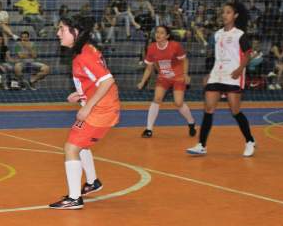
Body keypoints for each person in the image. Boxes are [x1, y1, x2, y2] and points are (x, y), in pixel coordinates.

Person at [49, 16, 119, 210]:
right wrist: (80, 95)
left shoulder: (84, 55)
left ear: (75, 32)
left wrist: (87, 107)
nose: (58, 33)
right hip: (100, 107)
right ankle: (92, 182)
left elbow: (107, 81)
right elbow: (94, 80)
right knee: (82, 145)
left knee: (71, 148)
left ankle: (74, 198)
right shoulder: (85, 50)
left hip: (100, 111)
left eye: (62, 29)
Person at [186, 2, 256, 157]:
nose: (224, 15)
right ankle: (201, 145)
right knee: (208, 109)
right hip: (217, 74)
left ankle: (250, 141)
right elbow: (215, 57)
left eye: (228, 12)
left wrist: (239, 70)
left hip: (233, 76)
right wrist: (209, 74)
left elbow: (247, 54)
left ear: (235, 15)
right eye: (223, 12)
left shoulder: (240, 34)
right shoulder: (217, 34)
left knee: (235, 110)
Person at [136, 26, 196, 138]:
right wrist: (142, 82)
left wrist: (185, 74)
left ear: (167, 36)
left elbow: (185, 60)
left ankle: (191, 122)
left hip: (177, 76)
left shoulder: (175, 46)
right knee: (157, 99)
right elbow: (149, 68)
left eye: (162, 33)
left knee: (178, 103)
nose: (158, 34)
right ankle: (149, 129)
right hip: (163, 77)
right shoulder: (152, 48)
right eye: (157, 32)